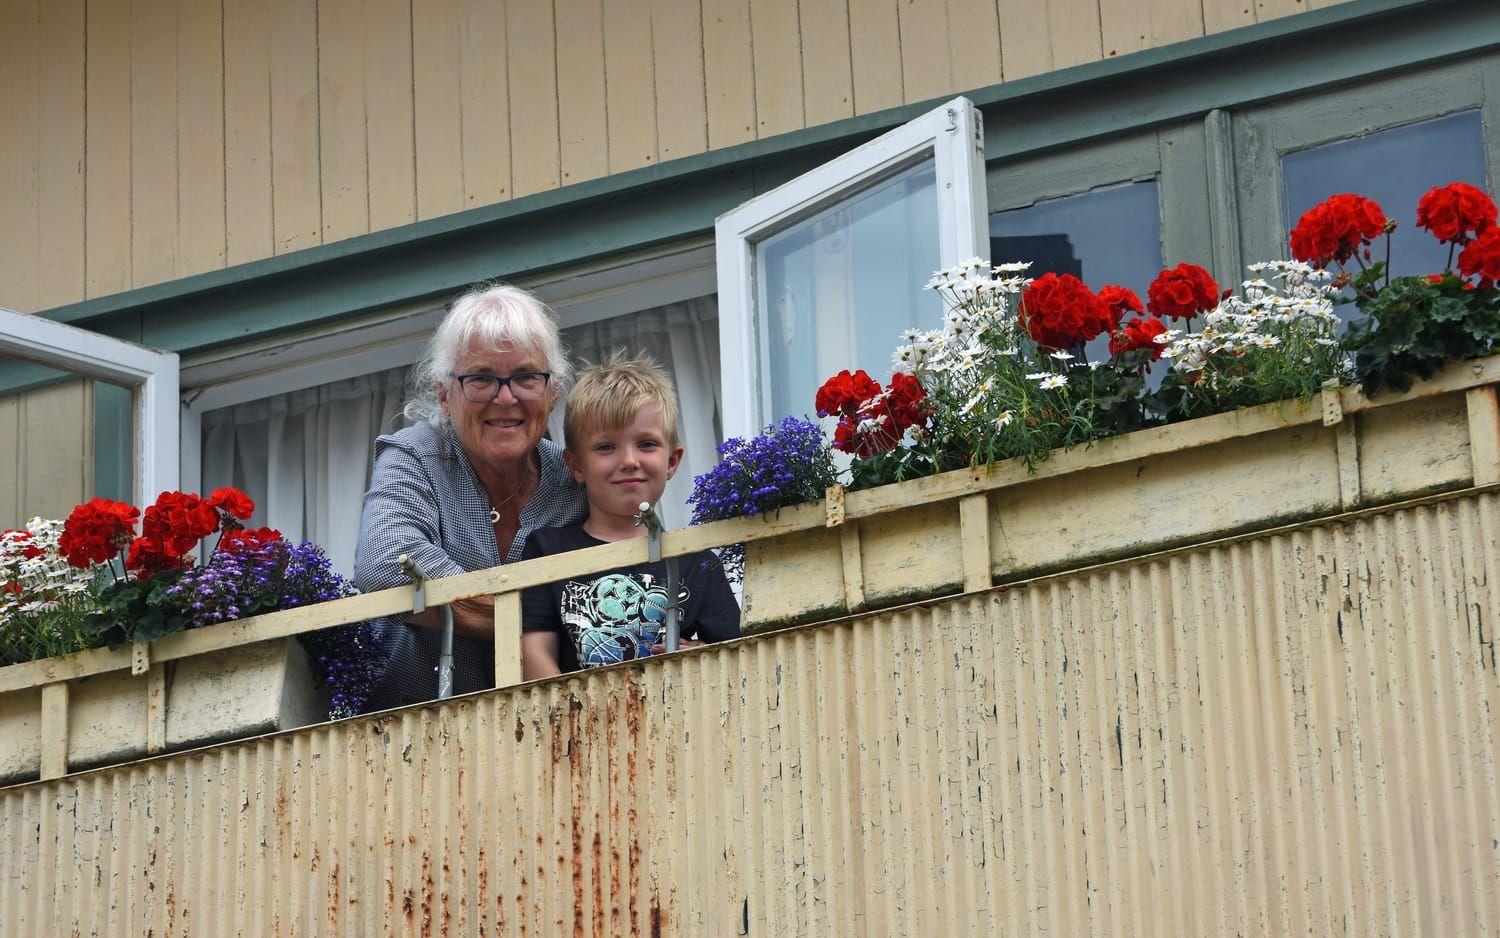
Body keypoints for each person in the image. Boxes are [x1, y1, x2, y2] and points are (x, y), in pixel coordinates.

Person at [354, 283, 588, 710]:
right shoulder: (417, 455)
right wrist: (536, 621)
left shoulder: (577, 476)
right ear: (445, 396)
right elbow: (385, 563)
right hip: (423, 731)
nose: (505, 397)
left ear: (552, 393)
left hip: (565, 725)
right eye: (481, 379)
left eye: (526, 377)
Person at [519, 354, 740, 677]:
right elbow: (534, 653)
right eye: (606, 447)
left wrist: (704, 657)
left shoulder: (697, 562)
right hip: (577, 721)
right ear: (576, 465)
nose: (629, 461)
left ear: (672, 461)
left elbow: (738, 665)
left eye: (646, 444)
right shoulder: (546, 550)